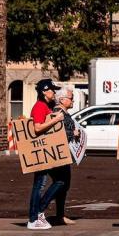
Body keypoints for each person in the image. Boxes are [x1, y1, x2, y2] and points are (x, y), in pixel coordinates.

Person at [26, 79, 66, 230]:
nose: (54, 93)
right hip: (42, 152)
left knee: (60, 181)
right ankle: (33, 218)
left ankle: (38, 212)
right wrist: (56, 119)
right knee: (40, 185)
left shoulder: (46, 106)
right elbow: (37, 128)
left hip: (48, 152)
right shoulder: (39, 106)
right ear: (44, 91)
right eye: (52, 90)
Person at [51, 87, 81, 226]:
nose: (73, 100)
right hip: (58, 155)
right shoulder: (57, 113)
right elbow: (55, 134)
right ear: (62, 100)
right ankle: (40, 209)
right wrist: (72, 134)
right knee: (60, 184)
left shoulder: (63, 113)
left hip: (64, 154)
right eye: (71, 97)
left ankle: (60, 215)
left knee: (64, 184)